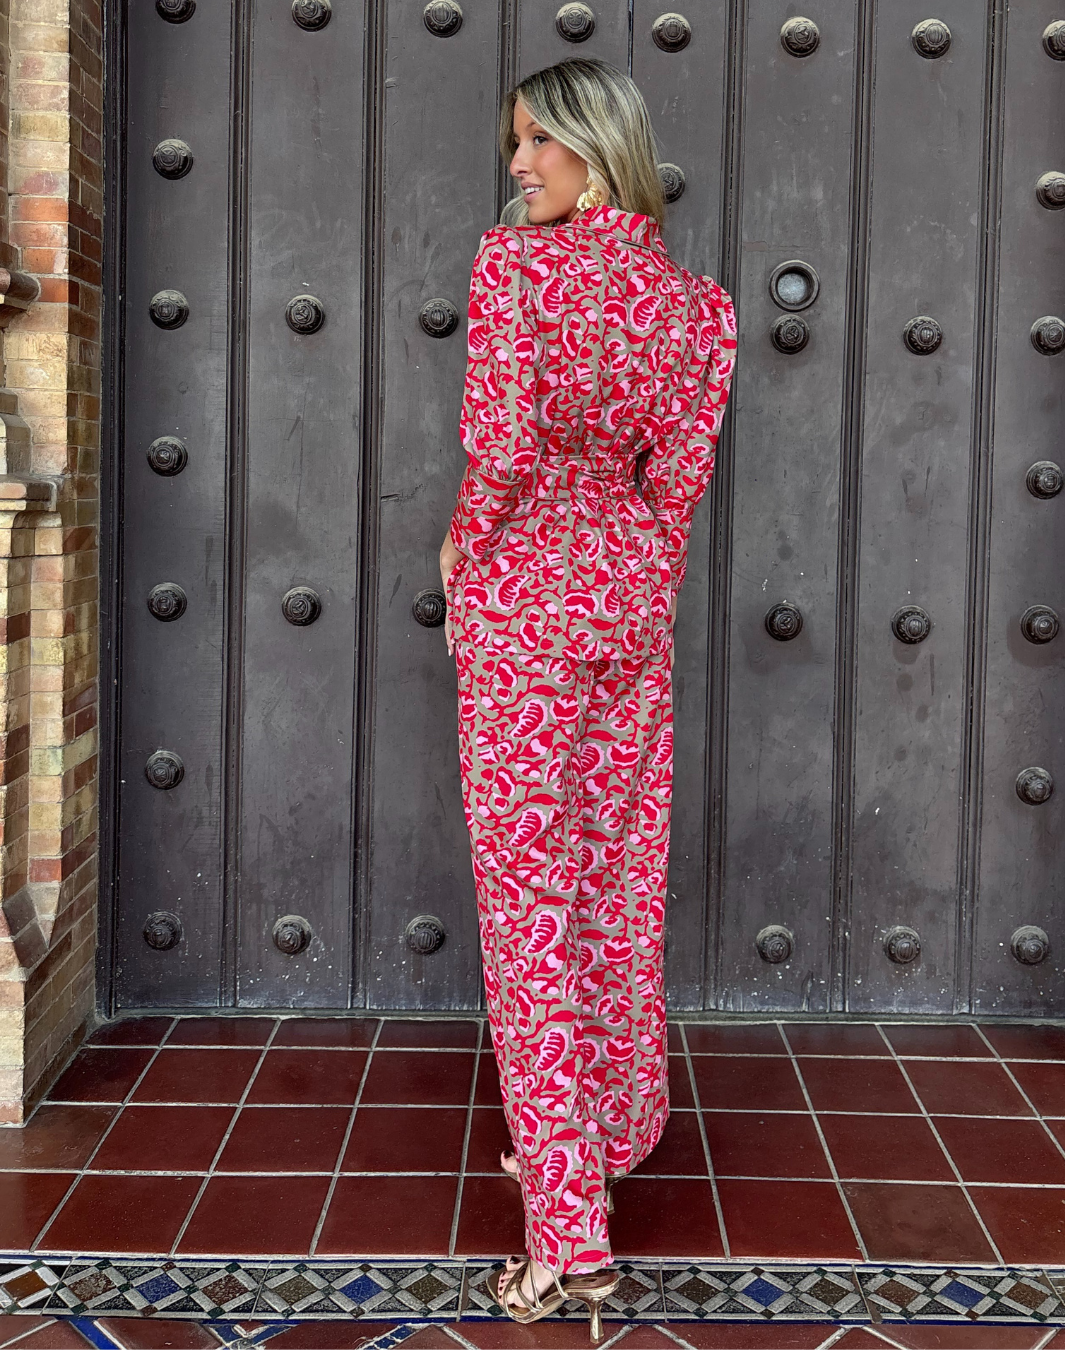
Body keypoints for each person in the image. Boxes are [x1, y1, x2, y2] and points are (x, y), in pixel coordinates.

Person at [438, 56, 737, 1341]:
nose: (518, 166)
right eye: (515, 144)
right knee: (616, 872)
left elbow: (502, 448)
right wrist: (636, 583)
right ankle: (607, 1131)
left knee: (529, 901)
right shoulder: (701, 308)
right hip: (628, 598)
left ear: (597, 152)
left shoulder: (515, 270)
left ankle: (565, 1235)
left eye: (537, 143)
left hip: (524, 600)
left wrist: (461, 551)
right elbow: (678, 484)